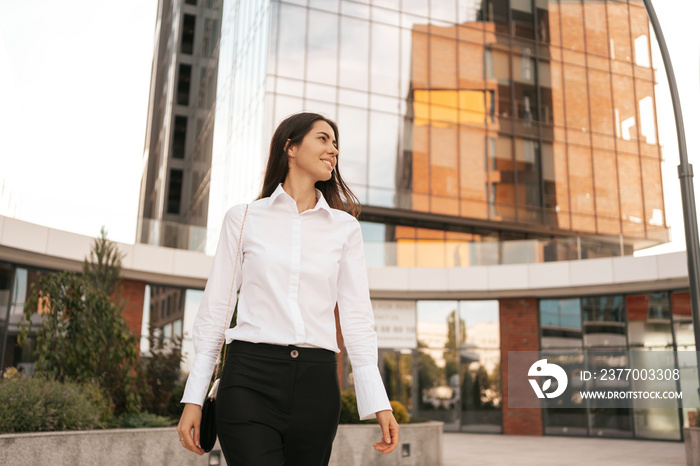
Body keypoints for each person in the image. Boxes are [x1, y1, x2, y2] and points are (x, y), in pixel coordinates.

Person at [177, 112, 399, 465]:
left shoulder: (345, 229)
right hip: (250, 378)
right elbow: (216, 309)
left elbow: (357, 318)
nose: (334, 150)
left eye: (336, 143)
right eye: (323, 139)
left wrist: (377, 402)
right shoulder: (244, 218)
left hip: (317, 383)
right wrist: (194, 397)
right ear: (290, 147)